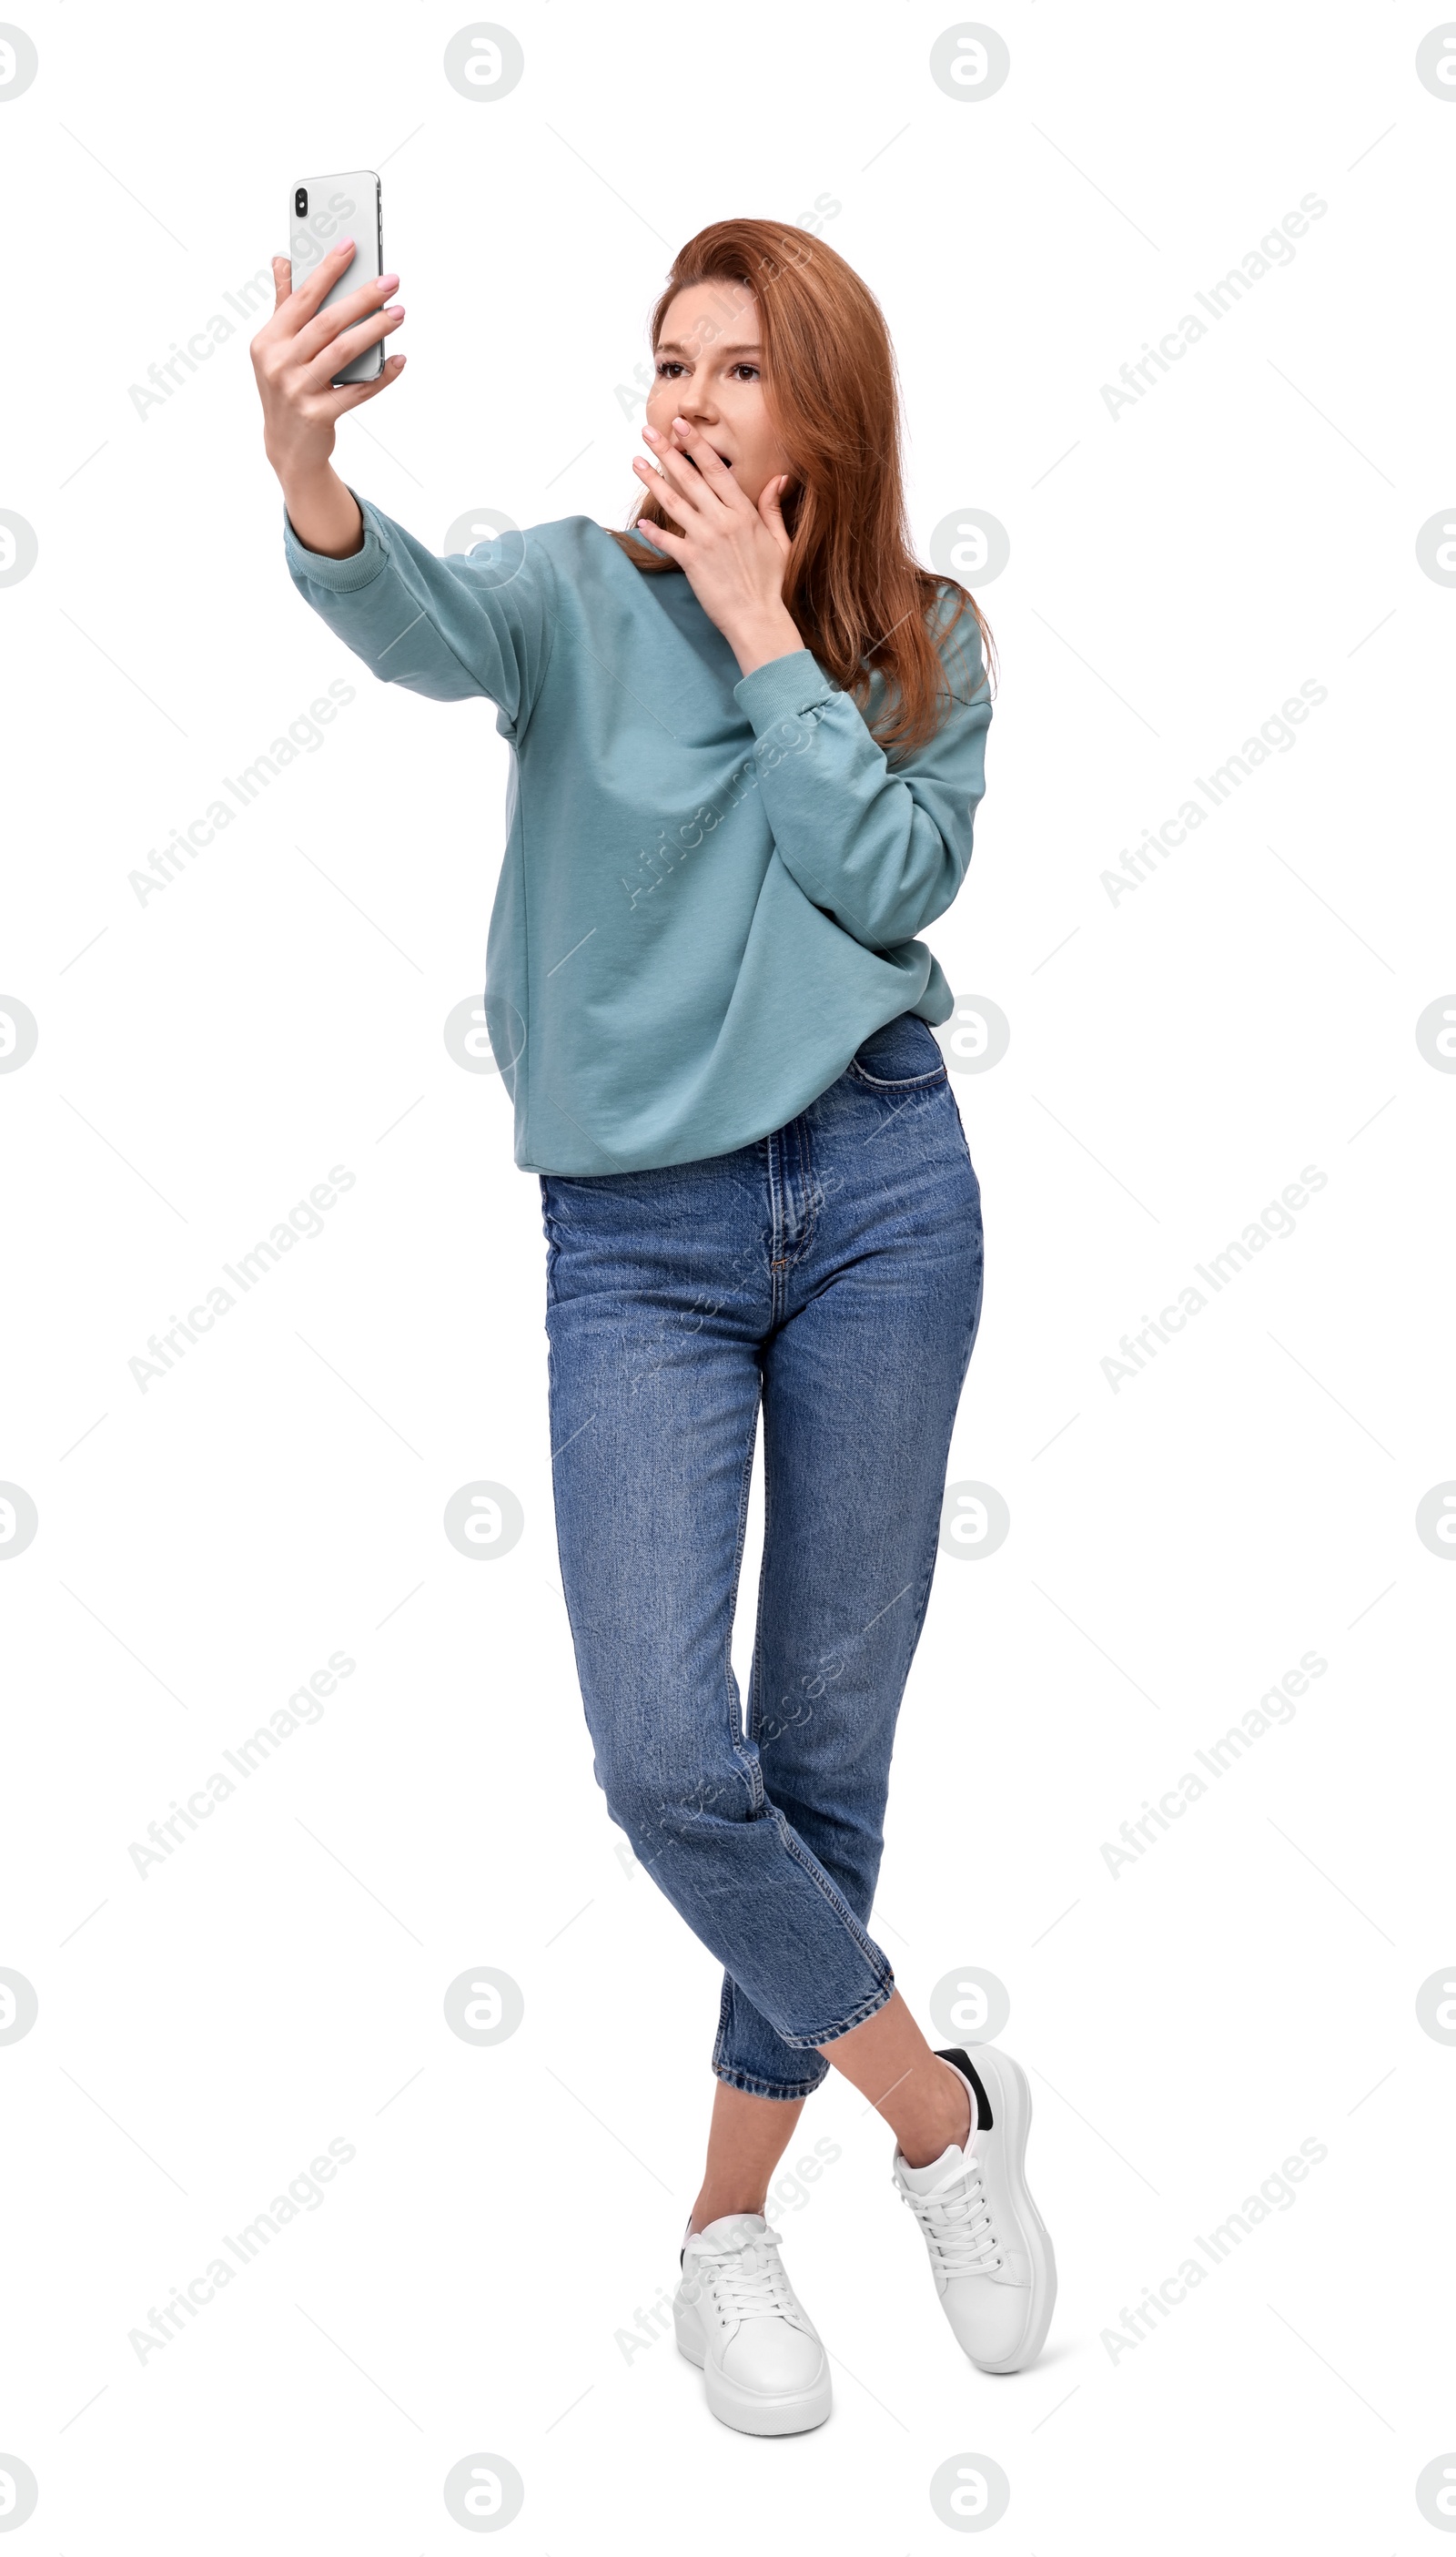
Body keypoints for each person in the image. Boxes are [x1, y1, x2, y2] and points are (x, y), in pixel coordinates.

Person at [251, 214, 1056, 2438]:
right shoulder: (563, 603)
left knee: (818, 1751)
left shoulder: (925, 641)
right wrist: (307, 463)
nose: (685, 400)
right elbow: (401, 613)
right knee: (662, 1759)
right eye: (665, 360)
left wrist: (761, 633)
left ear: (819, 411)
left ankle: (719, 2228)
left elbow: (891, 881)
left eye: (733, 367)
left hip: (884, 1194)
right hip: (641, 1246)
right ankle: (937, 2116)